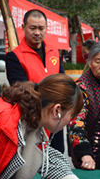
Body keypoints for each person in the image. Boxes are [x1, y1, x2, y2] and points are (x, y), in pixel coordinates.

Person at [5, 9, 66, 152]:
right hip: (32, 121)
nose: (37, 32)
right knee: (31, 163)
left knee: (56, 159)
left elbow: (63, 81)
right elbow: (23, 91)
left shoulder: (54, 52)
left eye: (41, 28)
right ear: (23, 27)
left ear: (46, 29)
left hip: (55, 119)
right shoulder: (14, 57)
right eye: (32, 28)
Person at [69, 41, 100, 170]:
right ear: (90, 62)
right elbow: (76, 122)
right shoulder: (82, 87)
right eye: (98, 61)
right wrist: (84, 152)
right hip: (90, 153)